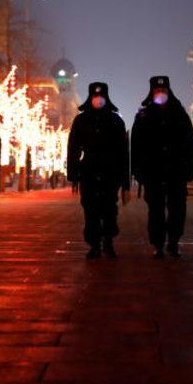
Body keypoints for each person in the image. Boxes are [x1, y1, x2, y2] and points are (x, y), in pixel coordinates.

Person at [131, 75, 193, 259]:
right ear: (152, 92)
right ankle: (158, 244)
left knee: (177, 209)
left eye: (163, 90)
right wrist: (136, 170)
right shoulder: (143, 116)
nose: (160, 93)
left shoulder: (180, 114)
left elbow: (190, 142)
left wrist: (192, 168)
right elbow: (135, 146)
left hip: (176, 172)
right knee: (156, 210)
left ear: (169, 91)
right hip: (152, 172)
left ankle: (174, 242)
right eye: (157, 90)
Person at [67, 81, 130, 259]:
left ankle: (108, 241)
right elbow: (73, 147)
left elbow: (123, 152)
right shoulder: (81, 120)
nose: (98, 99)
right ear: (90, 97)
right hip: (88, 171)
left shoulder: (116, 120)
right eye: (95, 96)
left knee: (109, 208)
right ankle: (94, 244)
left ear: (106, 97)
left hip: (111, 171)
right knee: (90, 209)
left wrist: (124, 179)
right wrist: (73, 173)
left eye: (101, 95)